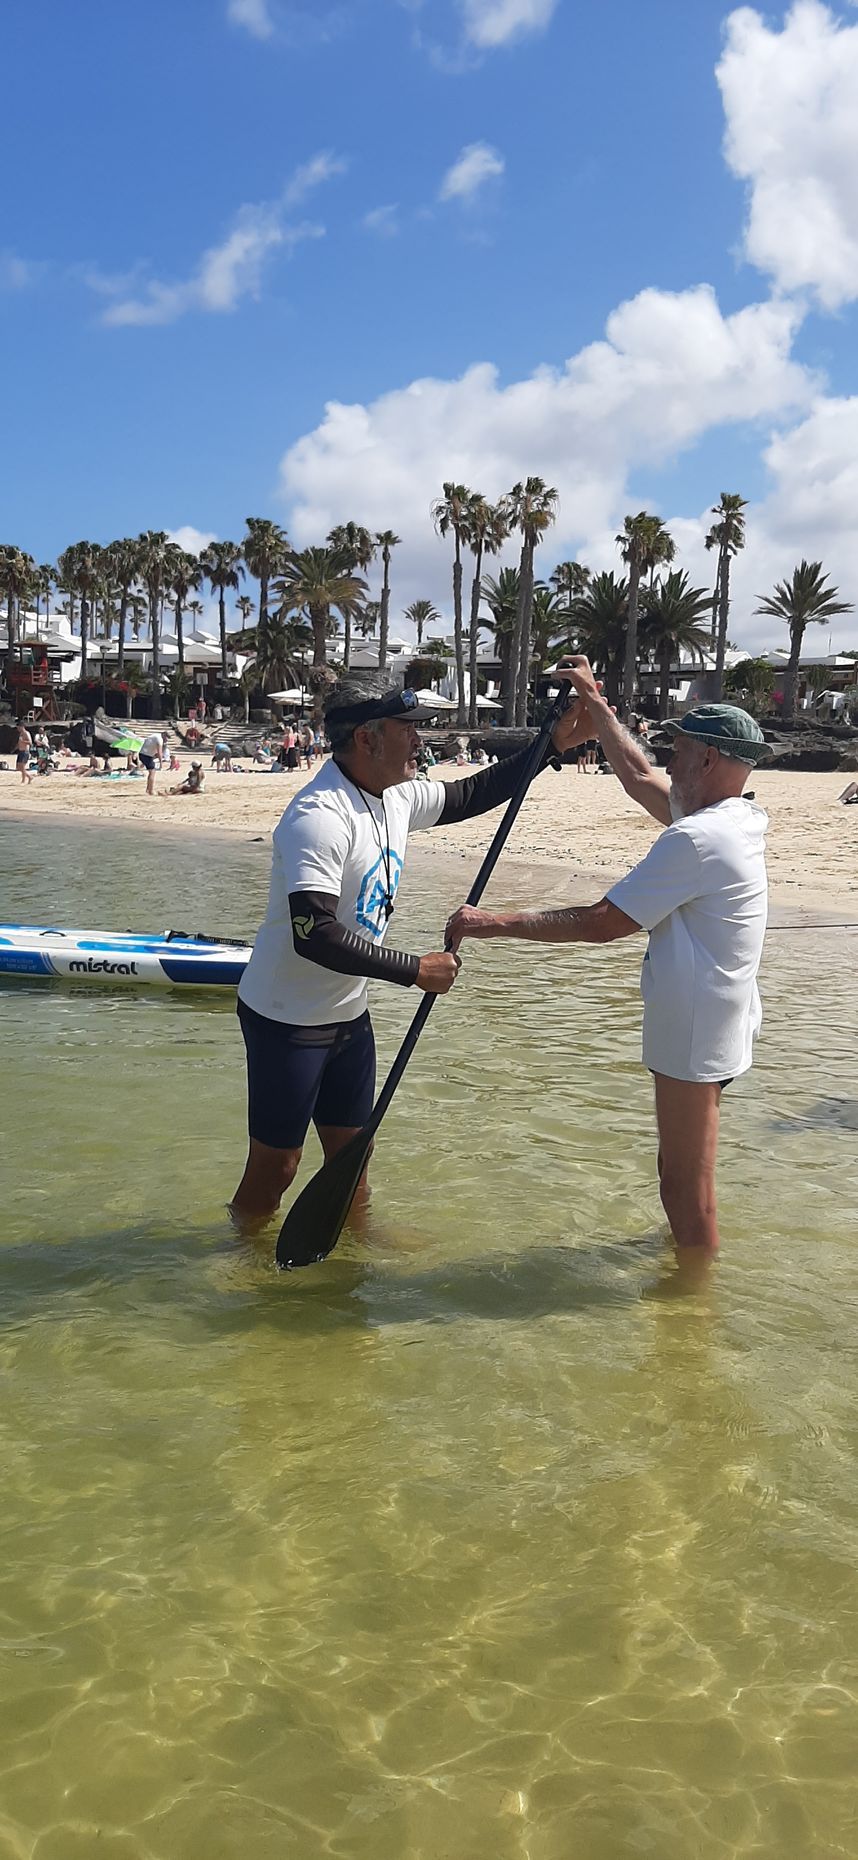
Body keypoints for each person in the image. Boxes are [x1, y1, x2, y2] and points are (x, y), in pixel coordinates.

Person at [446, 660, 772, 1268]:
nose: (669, 761)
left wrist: (489, 922)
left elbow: (602, 923)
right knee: (680, 1167)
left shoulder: (697, 840)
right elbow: (638, 775)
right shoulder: (736, 818)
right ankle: (684, 1264)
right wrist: (595, 704)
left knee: (684, 1187)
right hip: (724, 1017)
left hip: (696, 1027)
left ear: (708, 760)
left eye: (680, 750)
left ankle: (691, 1319)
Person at [230, 673, 582, 1233]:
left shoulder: (394, 796)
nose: (421, 741)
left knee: (354, 1156)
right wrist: (414, 970)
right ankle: (238, 1258)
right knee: (278, 1169)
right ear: (368, 738)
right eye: (409, 729)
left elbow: (475, 793)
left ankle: (357, 1255)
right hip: (285, 1020)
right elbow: (312, 931)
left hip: (347, 1016)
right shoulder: (318, 817)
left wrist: (550, 747)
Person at [139, 730, 165, 798]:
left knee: (151, 771)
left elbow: (150, 748)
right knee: (152, 772)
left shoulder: (154, 735)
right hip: (146, 755)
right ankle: (150, 790)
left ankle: (148, 789)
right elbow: (159, 753)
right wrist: (161, 764)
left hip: (142, 754)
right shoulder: (160, 739)